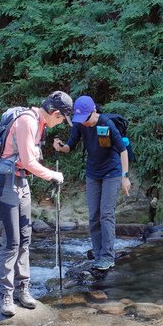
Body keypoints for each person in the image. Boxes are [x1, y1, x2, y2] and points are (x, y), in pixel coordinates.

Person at [0, 91, 72, 316]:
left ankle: (22, 291)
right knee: (12, 241)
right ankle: (6, 296)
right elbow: (27, 160)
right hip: (6, 181)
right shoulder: (27, 121)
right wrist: (54, 175)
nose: (62, 122)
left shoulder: (40, 123)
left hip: (21, 180)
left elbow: (29, 161)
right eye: (63, 118)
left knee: (25, 238)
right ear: (55, 113)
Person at [52, 95, 130, 271]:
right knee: (94, 215)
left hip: (112, 173)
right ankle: (98, 253)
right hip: (92, 173)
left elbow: (123, 150)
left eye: (86, 119)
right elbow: (70, 146)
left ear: (93, 111)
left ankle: (108, 257)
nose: (84, 123)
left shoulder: (106, 124)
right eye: (80, 119)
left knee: (106, 214)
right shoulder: (80, 123)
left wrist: (125, 176)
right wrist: (60, 146)